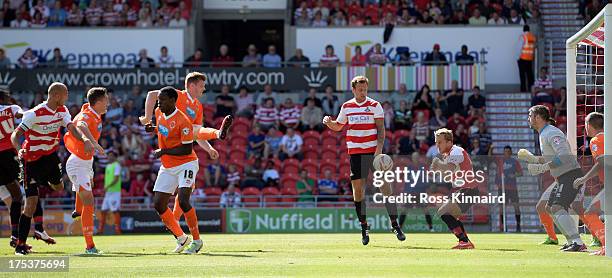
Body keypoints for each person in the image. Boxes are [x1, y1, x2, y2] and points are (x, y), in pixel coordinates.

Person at [323, 75, 405, 245]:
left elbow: (381, 130)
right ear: (353, 90)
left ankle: (395, 224)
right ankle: (364, 226)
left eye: (365, 89)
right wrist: (329, 123)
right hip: (356, 155)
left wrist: (379, 151)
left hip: (374, 153)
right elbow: (338, 126)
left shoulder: (375, 105)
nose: (363, 92)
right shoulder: (347, 107)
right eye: (360, 89)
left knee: (385, 188)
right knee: (358, 192)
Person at [140, 72, 234, 219]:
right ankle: (217, 133)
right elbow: (152, 94)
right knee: (166, 197)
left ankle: (175, 220)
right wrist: (147, 118)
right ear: (191, 86)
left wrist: (208, 148)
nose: (204, 89)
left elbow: (196, 133)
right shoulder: (177, 96)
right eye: (202, 86)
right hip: (171, 145)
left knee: (187, 188)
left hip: (183, 148)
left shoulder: (198, 106)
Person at [11, 82, 86, 255]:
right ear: (56, 96)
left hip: (51, 159)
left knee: (59, 187)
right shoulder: (34, 113)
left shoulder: (63, 110)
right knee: (30, 203)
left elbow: (71, 128)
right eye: (66, 94)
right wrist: (19, 148)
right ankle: (20, 245)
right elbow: (16, 134)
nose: (67, 97)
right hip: (31, 160)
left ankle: (41, 184)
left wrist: (84, 140)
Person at [517, 105, 586, 251]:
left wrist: (543, 167)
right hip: (563, 177)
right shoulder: (544, 133)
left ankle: (578, 242)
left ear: (537, 117)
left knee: (557, 207)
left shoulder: (551, 132)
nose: (528, 119)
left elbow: (564, 156)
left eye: (530, 116)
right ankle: (572, 241)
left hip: (570, 175)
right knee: (549, 207)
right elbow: (553, 158)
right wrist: (534, 159)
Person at [144, 87, 202, 254]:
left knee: (183, 201)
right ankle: (181, 238)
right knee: (159, 204)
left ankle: (197, 241)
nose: (158, 103)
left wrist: (164, 151)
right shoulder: (158, 113)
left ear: (172, 100)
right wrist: (153, 129)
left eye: (162, 100)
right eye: (158, 100)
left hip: (187, 163)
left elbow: (186, 149)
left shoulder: (184, 121)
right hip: (168, 165)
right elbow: (165, 129)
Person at [64, 87, 108, 254]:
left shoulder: (92, 112)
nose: (108, 104)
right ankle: (90, 246)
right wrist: (93, 142)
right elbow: (81, 124)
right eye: (105, 100)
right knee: (90, 201)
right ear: (97, 103)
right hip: (78, 163)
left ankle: (78, 210)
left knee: (86, 199)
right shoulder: (87, 115)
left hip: (86, 161)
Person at [430, 128, 479, 249]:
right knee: (451, 216)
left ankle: (464, 241)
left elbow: (449, 168)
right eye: (436, 142)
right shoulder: (449, 155)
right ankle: (466, 242)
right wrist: (438, 169)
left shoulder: (456, 151)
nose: (437, 145)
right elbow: (448, 177)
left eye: (440, 142)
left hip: (467, 189)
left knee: (443, 212)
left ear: (449, 142)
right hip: (465, 190)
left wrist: (438, 164)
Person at [573, 112, 606, 255]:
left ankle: (607, 245)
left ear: (589, 125)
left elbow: (601, 163)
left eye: (585, 124)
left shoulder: (596, 141)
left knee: (590, 213)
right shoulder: (608, 137)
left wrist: (583, 179)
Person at [0, 89, 26, 249]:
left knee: (14, 199)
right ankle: (18, 236)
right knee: (23, 194)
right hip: (9, 155)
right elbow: (24, 115)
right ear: (4, 98)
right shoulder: (12, 108)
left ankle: (16, 236)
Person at [495, 146, 523, 232]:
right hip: (502, 187)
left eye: (508, 151)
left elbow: (521, 173)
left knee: (516, 207)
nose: (506, 153)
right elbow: (489, 157)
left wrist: (513, 175)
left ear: (511, 152)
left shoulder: (514, 162)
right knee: (501, 208)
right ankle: (503, 226)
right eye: (505, 151)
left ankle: (518, 226)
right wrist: (491, 148)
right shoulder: (500, 161)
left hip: (512, 188)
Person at [99, 150, 122, 236]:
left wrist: (107, 187)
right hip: (108, 192)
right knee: (103, 210)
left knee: (115, 210)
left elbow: (116, 179)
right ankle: (100, 230)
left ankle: (118, 231)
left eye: (111, 155)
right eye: (109, 155)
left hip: (115, 192)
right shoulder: (108, 166)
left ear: (115, 157)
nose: (109, 157)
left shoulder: (117, 165)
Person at [518, 25, 536, 92]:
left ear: (523, 30)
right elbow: (534, 47)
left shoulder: (523, 36)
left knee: (522, 75)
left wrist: (518, 57)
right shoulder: (532, 37)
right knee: (529, 75)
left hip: (523, 58)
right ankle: (530, 89)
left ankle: (523, 89)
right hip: (530, 58)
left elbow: (519, 48)